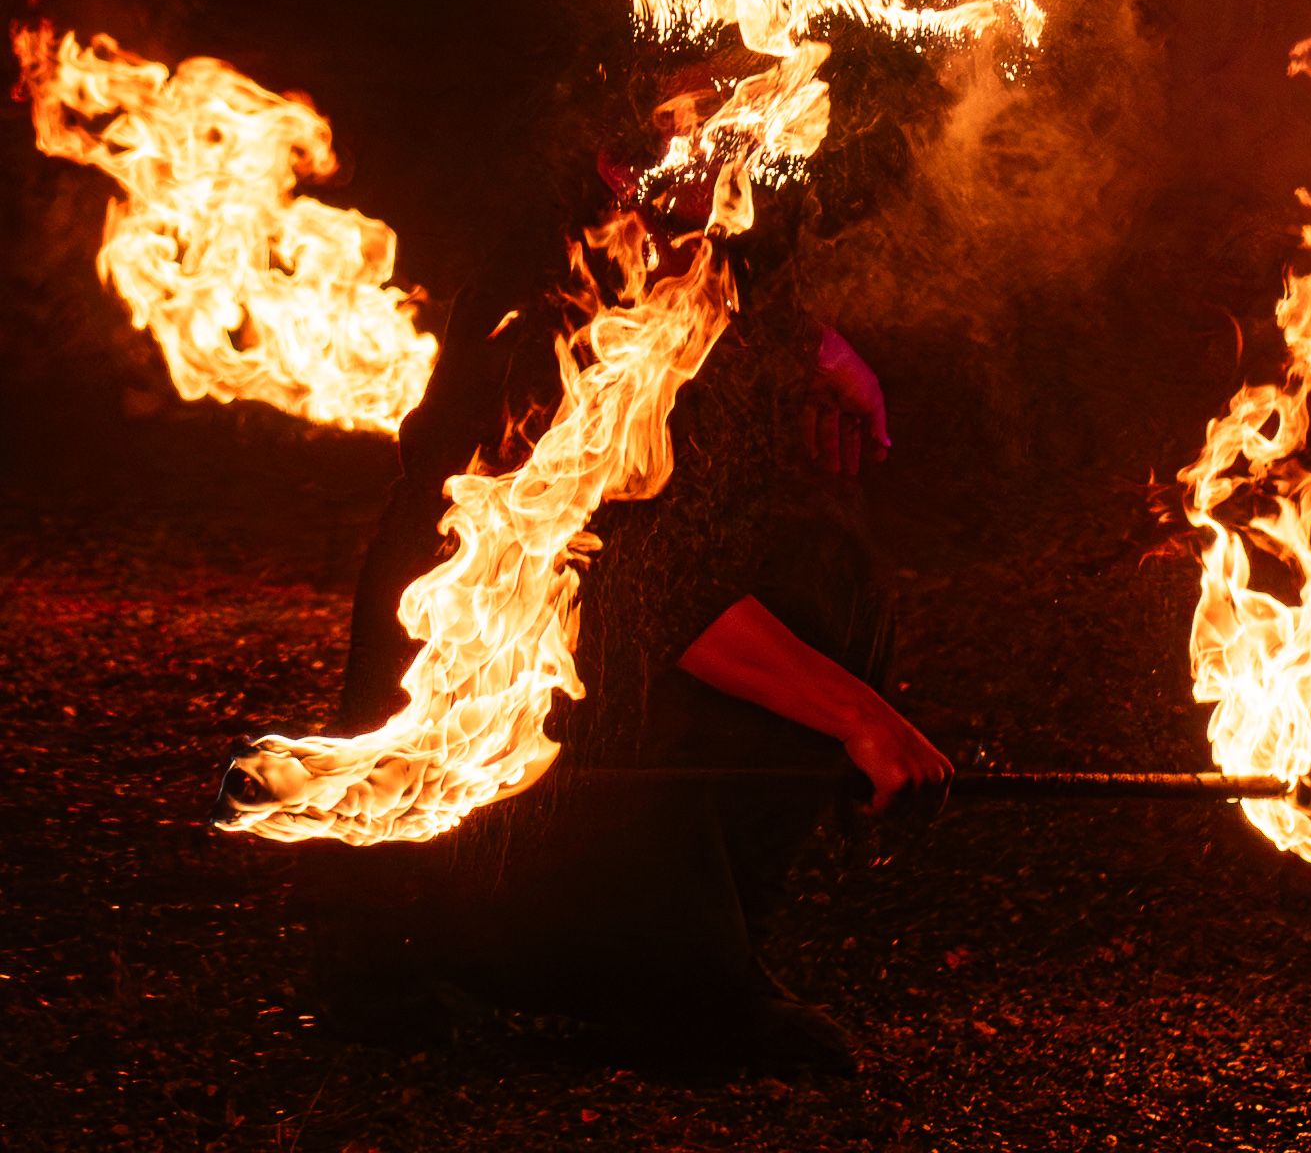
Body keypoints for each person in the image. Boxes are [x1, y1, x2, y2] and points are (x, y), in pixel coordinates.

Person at [298, 189, 951, 1074]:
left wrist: (816, 350)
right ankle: (618, 963)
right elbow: (650, 592)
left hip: (584, 701)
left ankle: (704, 938)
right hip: (491, 792)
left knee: (828, 561)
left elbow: (739, 312)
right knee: (779, 592)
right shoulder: (559, 307)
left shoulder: (682, 259)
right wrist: (863, 720)